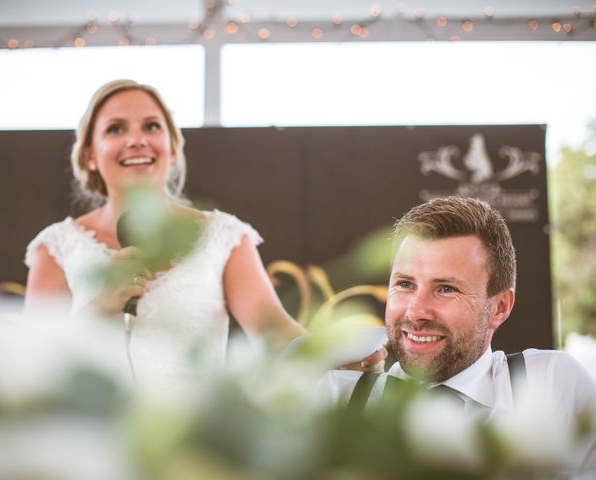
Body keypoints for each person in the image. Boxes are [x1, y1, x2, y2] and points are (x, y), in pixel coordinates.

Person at [24, 79, 384, 390]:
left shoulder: (223, 235)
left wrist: (334, 356)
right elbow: (33, 366)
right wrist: (98, 307)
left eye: (151, 126)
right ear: (89, 155)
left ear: (172, 147)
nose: (136, 140)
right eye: (116, 129)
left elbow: (274, 334)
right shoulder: (56, 247)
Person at [319, 196, 596, 470]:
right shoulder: (339, 400)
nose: (416, 312)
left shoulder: (552, 384)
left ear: (499, 307)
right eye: (405, 284)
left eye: (446, 289)